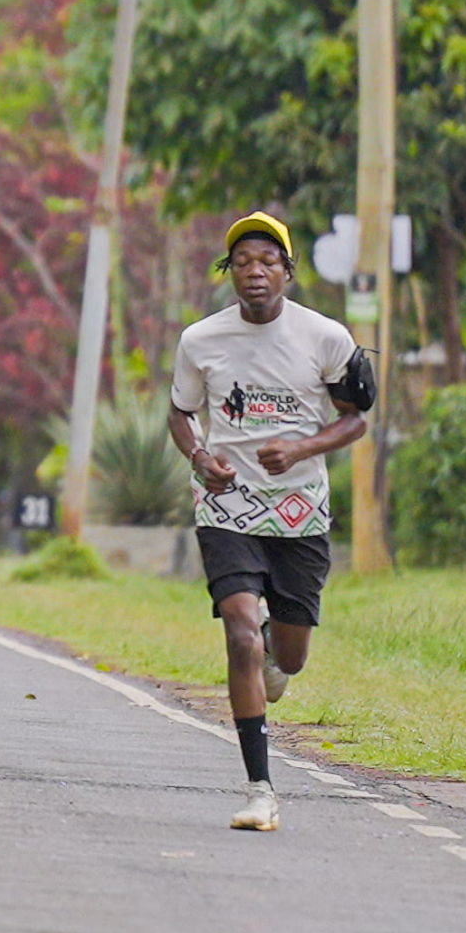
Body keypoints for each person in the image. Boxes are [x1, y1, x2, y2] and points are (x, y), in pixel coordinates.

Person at [164, 212, 373, 833]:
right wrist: (201, 458)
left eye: (268, 261)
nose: (256, 272)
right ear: (230, 274)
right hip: (227, 504)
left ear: (287, 271)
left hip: (299, 508)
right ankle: (260, 790)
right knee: (238, 633)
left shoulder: (325, 336)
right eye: (243, 262)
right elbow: (180, 413)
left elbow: (356, 416)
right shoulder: (201, 340)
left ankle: (276, 662)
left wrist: (304, 448)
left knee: (289, 654)